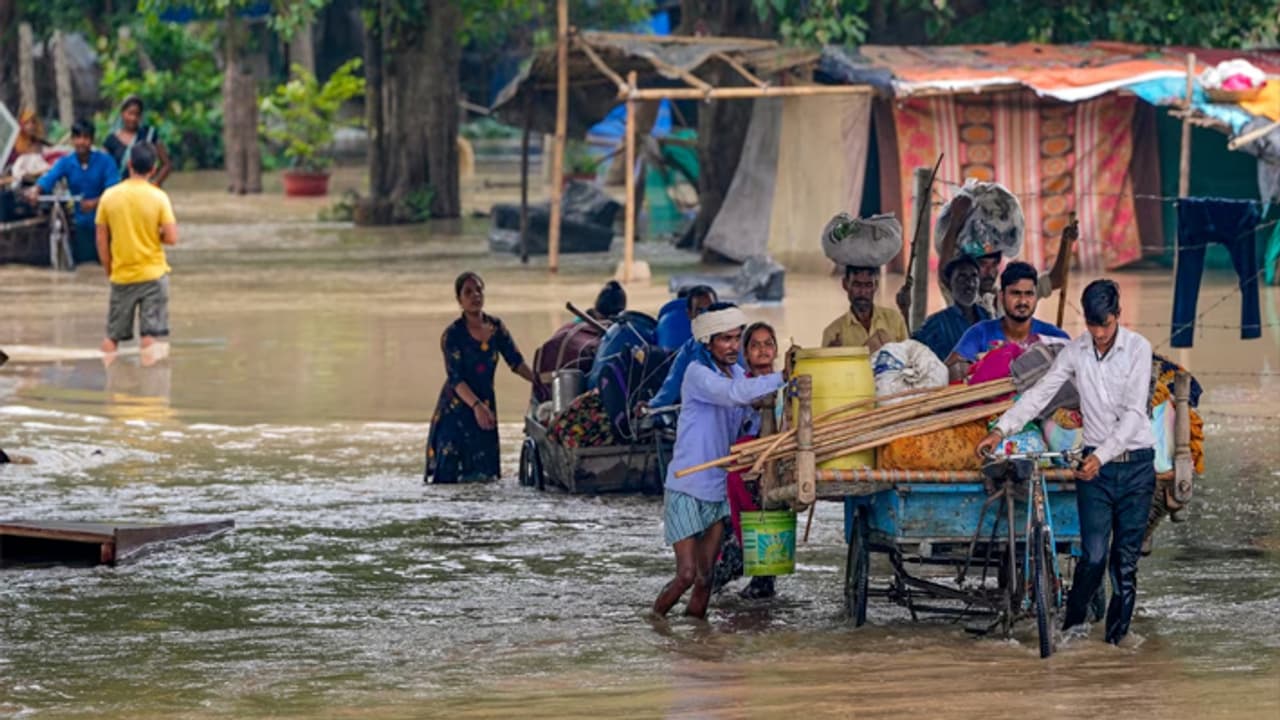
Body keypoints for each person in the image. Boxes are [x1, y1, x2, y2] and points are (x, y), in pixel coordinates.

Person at [976, 279, 1155, 645]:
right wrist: (1001, 430)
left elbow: (1136, 415)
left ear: (1118, 316)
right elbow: (1039, 395)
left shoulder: (1139, 349)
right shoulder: (1076, 352)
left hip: (1136, 466)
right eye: (1092, 325)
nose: (1099, 333)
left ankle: (1116, 642)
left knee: (1124, 564)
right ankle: (1072, 626)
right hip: (1095, 470)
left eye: (1105, 324)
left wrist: (1101, 457)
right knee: (1092, 556)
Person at [654, 303, 784, 618]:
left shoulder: (738, 373)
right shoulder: (698, 374)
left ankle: (696, 642)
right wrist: (783, 375)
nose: (732, 346)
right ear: (708, 342)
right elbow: (733, 394)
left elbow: (749, 419)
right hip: (686, 485)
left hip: (715, 488)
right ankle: (655, 621)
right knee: (686, 575)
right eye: (725, 339)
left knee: (705, 579)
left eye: (736, 338)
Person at [425, 272, 535, 483]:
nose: (475, 296)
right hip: (456, 409)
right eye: (468, 292)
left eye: (479, 290)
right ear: (459, 300)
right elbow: (455, 379)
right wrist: (477, 406)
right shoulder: (452, 335)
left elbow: (516, 362)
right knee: (449, 481)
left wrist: (538, 381)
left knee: (486, 477)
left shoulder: (496, 327)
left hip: (486, 406)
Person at [713, 321, 782, 599]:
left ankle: (761, 573)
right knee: (738, 462)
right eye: (755, 345)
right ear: (746, 353)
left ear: (776, 350)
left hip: (778, 456)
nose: (763, 350)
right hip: (747, 462)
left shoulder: (787, 384)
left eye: (768, 344)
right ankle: (743, 554)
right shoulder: (739, 388)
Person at [94, 142, 176, 360]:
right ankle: (151, 390)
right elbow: (171, 237)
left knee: (112, 337)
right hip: (154, 276)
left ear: (129, 164)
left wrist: (110, 271)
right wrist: (153, 234)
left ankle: (110, 386)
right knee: (150, 337)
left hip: (122, 276)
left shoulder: (109, 197)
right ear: (153, 168)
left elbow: (101, 241)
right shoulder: (159, 197)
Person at [945, 261, 1069, 378]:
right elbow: (950, 368)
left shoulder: (1054, 337)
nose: (1022, 301)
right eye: (1015, 293)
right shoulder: (980, 333)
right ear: (1001, 296)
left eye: (1029, 294)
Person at [28, 120, 119, 265]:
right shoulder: (66, 162)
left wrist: (95, 203)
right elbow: (49, 177)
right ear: (72, 140)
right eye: (78, 138)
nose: (81, 142)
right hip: (81, 224)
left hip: (106, 224)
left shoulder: (106, 162)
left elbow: (115, 191)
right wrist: (36, 190)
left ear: (92, 140)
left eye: (85, 138)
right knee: (85, 265)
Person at [646, 286, 718, 410]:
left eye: (710, 310)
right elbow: (672, 386)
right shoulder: (688, 349)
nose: (706, 317)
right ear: (690, 314)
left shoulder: (734, 342)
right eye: (700, 311)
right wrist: (650, 406)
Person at [912, 254, 991, 362]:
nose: (970, 284)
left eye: (974, 276)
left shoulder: (986, 316)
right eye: (962, 277)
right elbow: (911, 350)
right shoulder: (937, 323)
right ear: (950, 284)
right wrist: (905, 312)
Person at [822, 265, 909, 350]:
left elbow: (909, 358)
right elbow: (824, 364)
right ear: (845, 284)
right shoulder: (833, 333)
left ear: (876, 286)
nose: (863, 292)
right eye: (857, 285)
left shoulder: (895, 320)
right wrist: (831, 355)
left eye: (868, 285)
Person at [103, 96, 172, 186]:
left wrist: (155, 184)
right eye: (130, 113)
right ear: (122, 113)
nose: (133, 118)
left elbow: (167, 164)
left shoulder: (149, 135)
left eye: (137, 114)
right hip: (120, 192)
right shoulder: (111, 140)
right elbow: (102, 167)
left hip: (144, 190)